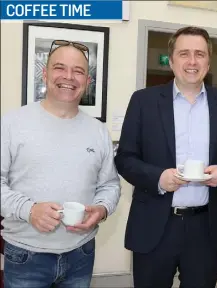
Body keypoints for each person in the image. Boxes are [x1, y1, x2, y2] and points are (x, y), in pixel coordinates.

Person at [115, 26, 217, 288]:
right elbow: (125, 158)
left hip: (205, 228)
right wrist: (158, 178)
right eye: (184, 53)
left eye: (200, 54)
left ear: (209, 60)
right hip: (154, 224)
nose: (192, 61)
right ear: (171, 59)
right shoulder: (143, 101)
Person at [1, 40, 121, 288]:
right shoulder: (11, 124)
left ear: (87, 81)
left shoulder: (98, 132)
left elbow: (110, 185)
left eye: (78, 71)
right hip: (26, 256)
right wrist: (29, 210)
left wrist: (102, 209)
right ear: (45, 74)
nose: (69, 77)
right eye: (59, 68)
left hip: (81, 254)